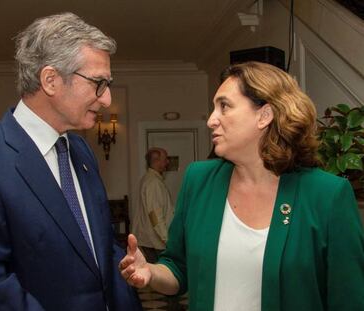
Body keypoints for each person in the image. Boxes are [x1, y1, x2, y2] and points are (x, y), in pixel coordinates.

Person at [119, 61, 364, 311]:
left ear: (264, 116)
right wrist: (149, 271)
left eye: (224, 106)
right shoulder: (199, 180)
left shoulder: (327, 195)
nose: (211, 120)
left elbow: (348, 299)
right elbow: (177, 269)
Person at [0, 13, 141, 311]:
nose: (106, 99)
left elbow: (102, 249)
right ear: (50, 80)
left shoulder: (80, 151)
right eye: (98, 83)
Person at [132, 147, 174, 263]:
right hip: (155, 243)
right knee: (159, 277)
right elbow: (155, 215)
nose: (168, 162)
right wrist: (167, 240)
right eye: (165, 159)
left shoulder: (149, 179)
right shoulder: (153, 183)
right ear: (156, 161)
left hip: (151, 241)